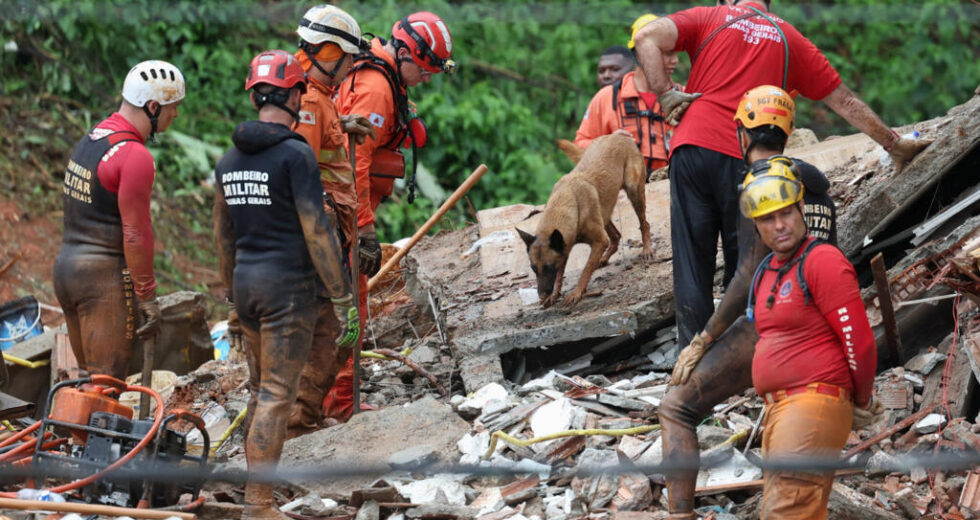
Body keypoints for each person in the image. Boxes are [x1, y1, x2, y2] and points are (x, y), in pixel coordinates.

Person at [632, 0, 931, 350]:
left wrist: (665, 94)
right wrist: (894, 144)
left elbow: (646, 37)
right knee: (745, 266)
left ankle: (689, 364)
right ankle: (736, 360)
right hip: (746, 158)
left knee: (691, 266)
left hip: (691, 147)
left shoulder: (709, 16)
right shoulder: (790, 38)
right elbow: (846, 102)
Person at [658, 85, 847, 519]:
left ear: (741, 132)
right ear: (789, 130)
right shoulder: (813, 182)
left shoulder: (760, 184)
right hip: (821, 324)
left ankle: (680, 515)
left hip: (777, 319)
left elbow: (746, 276)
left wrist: (703, 339)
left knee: (676, 408)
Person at [213, 49, 359, 520]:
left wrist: (232, 302)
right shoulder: (296, 155)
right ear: (295, 96)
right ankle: (258, 505)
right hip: (287, 292)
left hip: (247, 287)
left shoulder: (228, 161)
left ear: (254, 97)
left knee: (260, 393)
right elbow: (317, 231)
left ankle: (255, 494)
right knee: (278, 396)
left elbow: (223, 238)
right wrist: (342, 295)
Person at [325, 10, 456, 421]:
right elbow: (355, 164)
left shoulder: (380, 74)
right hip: (339, 213)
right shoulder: (377, 88)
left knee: (343, 304)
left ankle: (330, 397)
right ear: (404, 54)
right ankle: (340, 404)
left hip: (336, 207)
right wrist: (363, 228)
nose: (427, 79)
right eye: (425, 70)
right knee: (352, 306)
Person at [739, 163, 880, 519]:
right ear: (756, 225)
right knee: (793, 509)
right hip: (781, 410)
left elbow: (859, 341)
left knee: (787, 511)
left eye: (786, 213)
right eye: (768, 218)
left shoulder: (822, 261)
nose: (779, 225)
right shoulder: (768, 269)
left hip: (811, 403)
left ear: (802, 208)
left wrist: (861, 399)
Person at [54, 59, 184, 380]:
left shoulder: (93, 138)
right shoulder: (134, 156)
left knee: (89, 381)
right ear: (152, 107)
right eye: (172, 107)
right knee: (106, 386)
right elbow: (136, 234)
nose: (176, 114)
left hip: (67, 272)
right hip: (102, 283)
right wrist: (147, 296)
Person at [287, 4, 375, 436]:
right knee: (332, 330)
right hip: (318, 238)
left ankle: (307, 416)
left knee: (333, 330)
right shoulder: (308, 101)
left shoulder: (317, 98)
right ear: (329, 52)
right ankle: (299, 423)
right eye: (347, 59)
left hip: (327, 233)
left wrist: (341, 124)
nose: (350, 69)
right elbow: (301, 174)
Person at [575, 14, 679, 177]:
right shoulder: (607, 98)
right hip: (623, 189)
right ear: (642, 53)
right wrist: (606, 145)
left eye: (675, 53)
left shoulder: (683, 97)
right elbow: (577, 148)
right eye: (667, 53)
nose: (675, 60)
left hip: (672, 188)